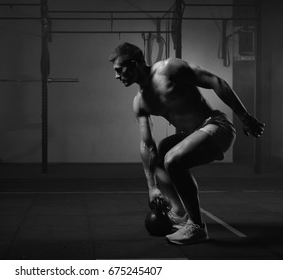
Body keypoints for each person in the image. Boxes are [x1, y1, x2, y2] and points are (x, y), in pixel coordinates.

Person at [109, 42, 265, 245]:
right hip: (193, 133)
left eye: (119, 70)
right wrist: (151, 187)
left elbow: (216, 82)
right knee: (160, 154)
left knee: (172, 160)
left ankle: (197, 227)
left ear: (134, 64)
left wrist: (245, 117)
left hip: (217, 126)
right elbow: (147, 145)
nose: (117, 76)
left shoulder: (168, 68)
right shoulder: (140, 101)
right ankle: (180, 212)